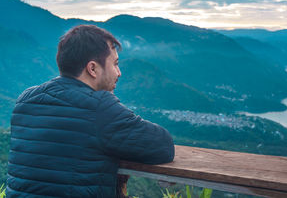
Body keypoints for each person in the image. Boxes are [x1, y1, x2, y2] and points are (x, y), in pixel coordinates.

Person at [6, 25, 175, 198]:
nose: (119, 72)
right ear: (92, 69)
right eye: (115, 64)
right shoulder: (99, 106)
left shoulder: (25, 100)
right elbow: (163, 146)